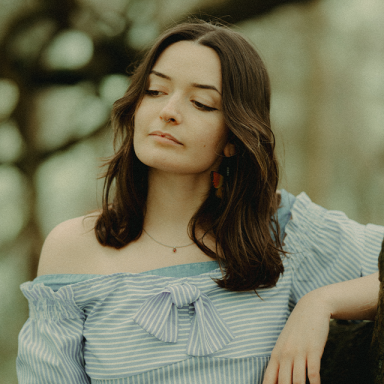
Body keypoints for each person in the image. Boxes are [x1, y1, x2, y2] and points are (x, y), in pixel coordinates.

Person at [17, 20, 384, 384]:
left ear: (233, 138)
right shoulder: (74, 250)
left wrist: (320, 302)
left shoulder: (282, 232)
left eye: (201, 103)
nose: (169, 111)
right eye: (155, 91)